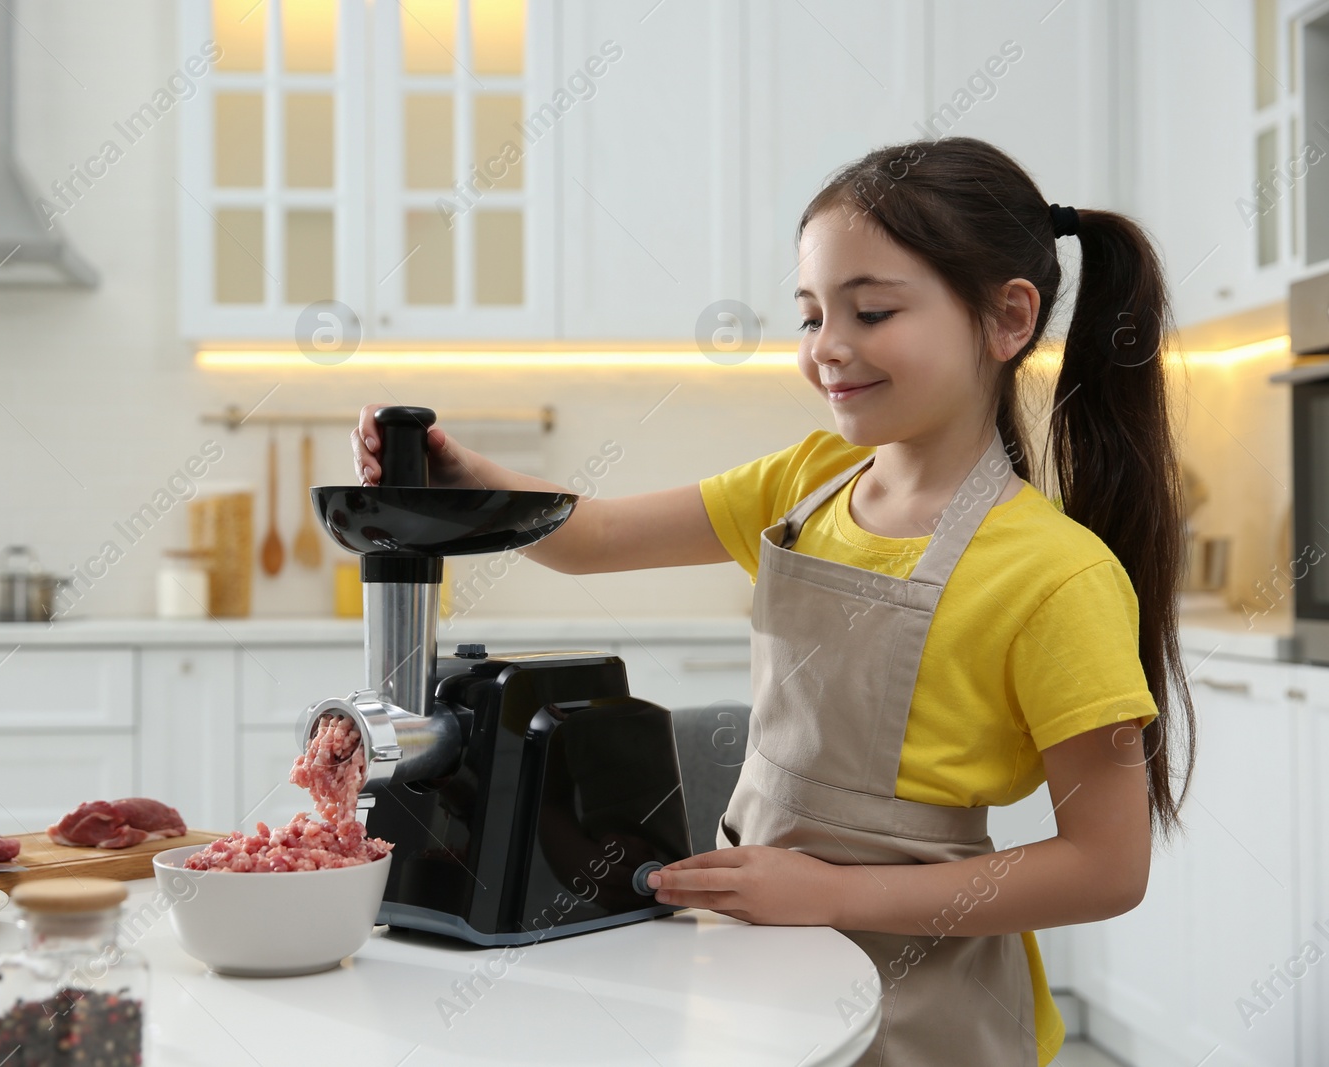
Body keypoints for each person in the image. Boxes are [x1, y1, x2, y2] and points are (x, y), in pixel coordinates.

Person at [349, 135, 1194, 1067]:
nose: (827, 349)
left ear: (1007, 319)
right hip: (751, 954)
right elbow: (593, 540)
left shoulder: (1055, 575)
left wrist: (831, 895)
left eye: (871, 311)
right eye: (810, 315)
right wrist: (471, 486)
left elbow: (1107, 868)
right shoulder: (811, 482)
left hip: (928, 1000)